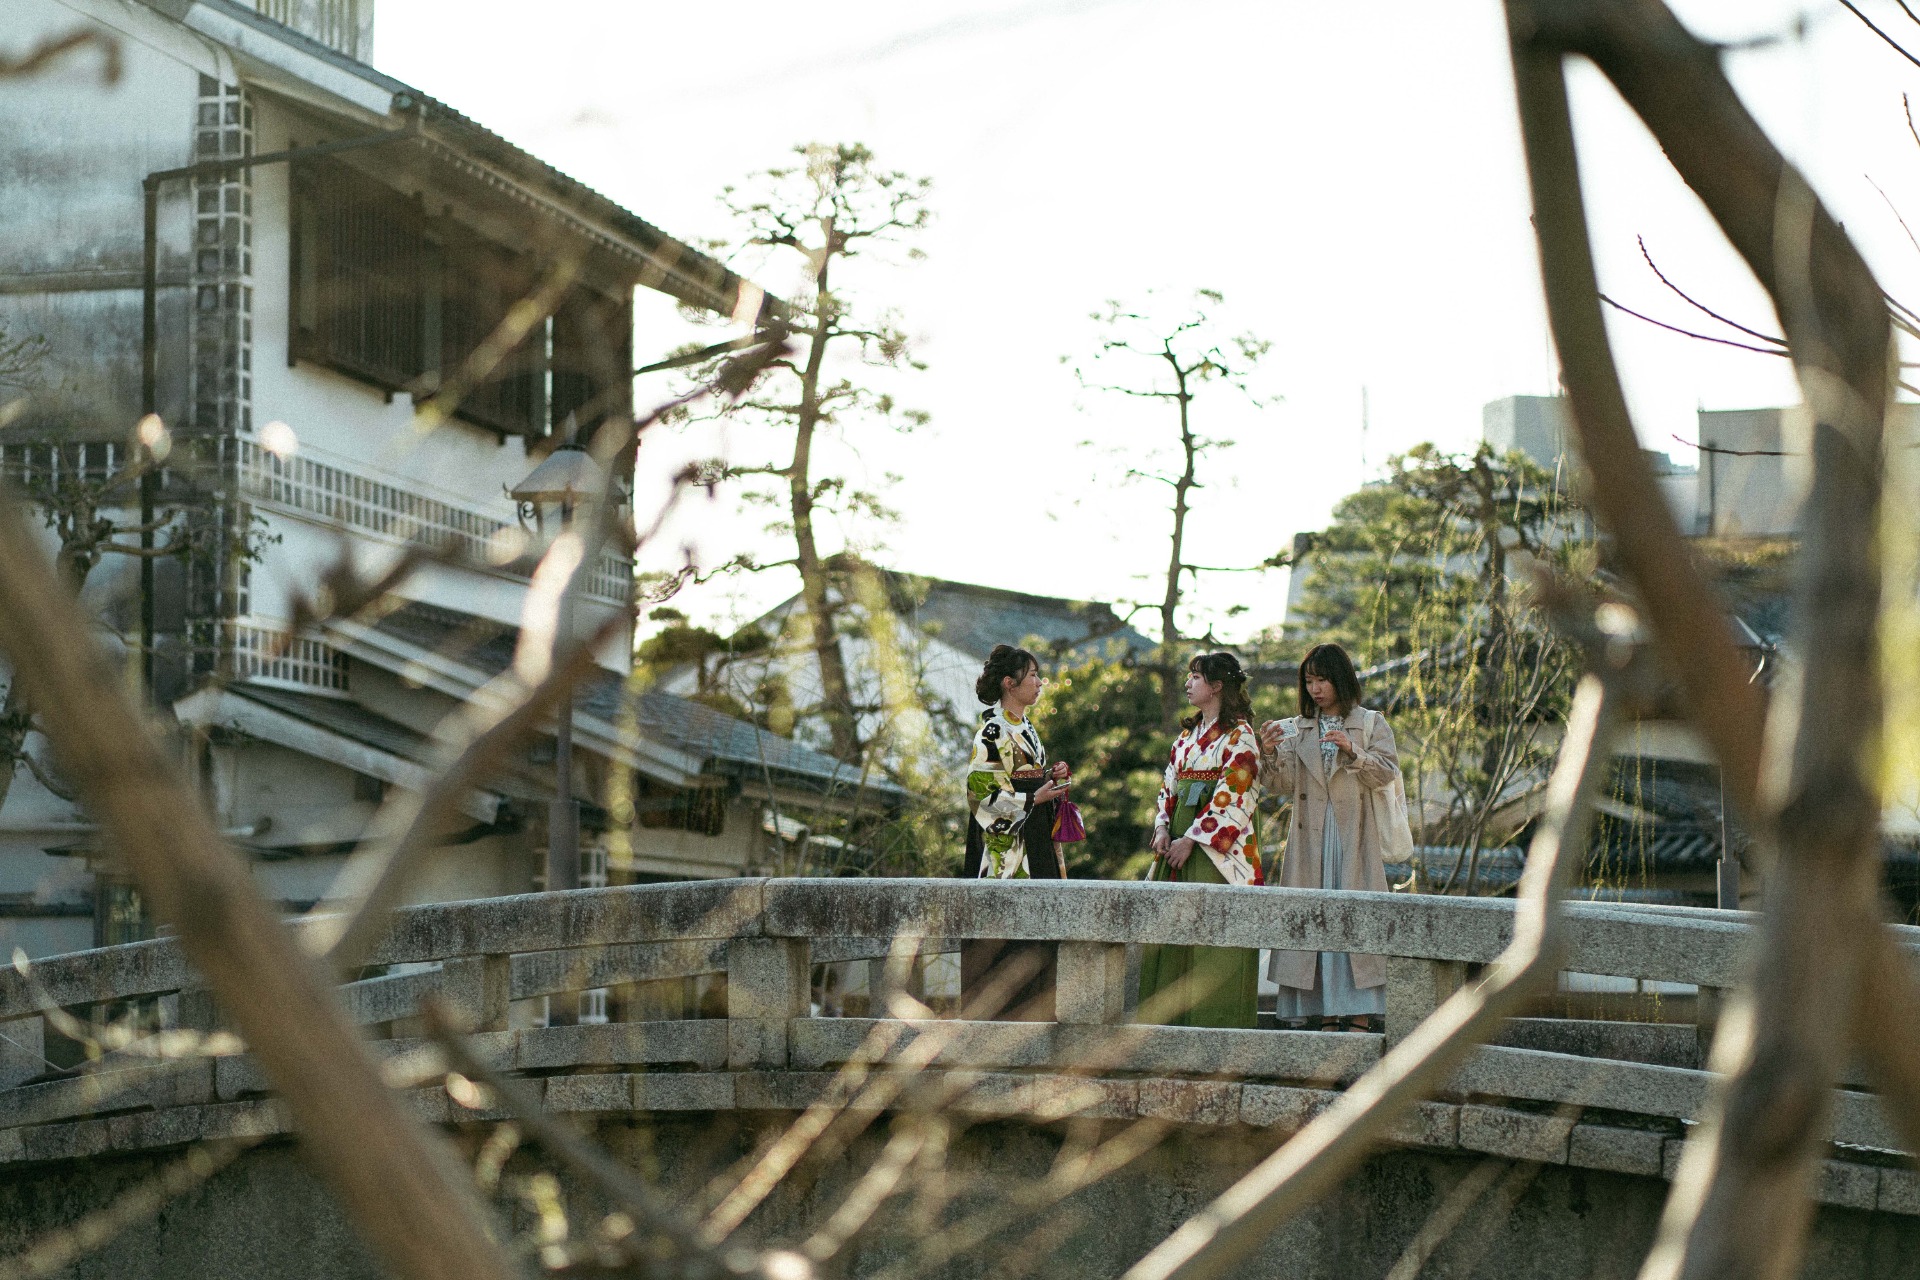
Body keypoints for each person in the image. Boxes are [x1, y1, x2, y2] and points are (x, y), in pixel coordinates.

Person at [1259, 642, 1398, 1030]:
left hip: (1355, 837)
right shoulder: (1297, 727)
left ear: (1340, 679)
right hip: (1310, 841)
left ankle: (1358, 1014)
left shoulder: (1370, 723)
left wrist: (1353, 750)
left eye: (1322, 680)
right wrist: (1268, 752)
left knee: (1354, 921)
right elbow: (1281, 784)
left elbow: (1387, 772)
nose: (1315, 688)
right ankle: (1326, 1013)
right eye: (1309, 681)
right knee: (1312, 922)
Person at [1136, 652, 1264, 1029]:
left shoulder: (1240, 735)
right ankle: (1165, 1026)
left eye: (1196, 677)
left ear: (1218, 686)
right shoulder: (1186, 737)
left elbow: (1234, 794)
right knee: (1172, 933)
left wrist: (1192, 839)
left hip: (1215, 850)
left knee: (1212, 935)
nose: (1188, 683)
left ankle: (1216, 1026)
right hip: (1177, 841)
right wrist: (1163, 827)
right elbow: (1169, 787)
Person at [961, 644, 1071, 1020]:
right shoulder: (992, 730)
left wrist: (1050, 776)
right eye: (1033, 676)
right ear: (1010, 683)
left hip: (1033, 831)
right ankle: (1002, 1015)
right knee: (1008, 928)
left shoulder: (1023, 727)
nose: (1040, 683)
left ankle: (1037, 1012)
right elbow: (980, 793)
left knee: (1038, 924)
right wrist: (1031, 799)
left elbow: (1026, 776)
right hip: (1005, 839)